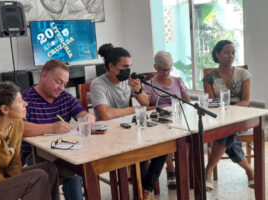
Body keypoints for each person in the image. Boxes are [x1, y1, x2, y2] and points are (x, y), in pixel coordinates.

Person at [90, 43, 161, 200]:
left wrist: (139, 90)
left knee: (163, 145)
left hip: (129, 127)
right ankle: (143, 191)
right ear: (112, 67)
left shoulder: (128, 81)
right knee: (141, 150)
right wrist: (134, 110)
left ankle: (146, 188)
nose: (128, 70)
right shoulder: (98, 84)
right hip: (109, 134)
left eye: (130, 66)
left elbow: (146, 103)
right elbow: (106, 114)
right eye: (125, 66)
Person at [0, 82, 59, 200]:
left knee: (48, 169)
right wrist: (18, 190)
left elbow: (15, 163)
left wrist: (20, 185)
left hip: (0, 182)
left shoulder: (17, 124)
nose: (25, 104)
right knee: (38, 176)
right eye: (20, 101)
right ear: (5, 109)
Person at [22, 59, 95, 200]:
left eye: (65, 84)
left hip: (63, 150)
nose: (61, 87)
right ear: (43, 76)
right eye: (58, 81)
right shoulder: (25, 99)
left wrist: (87, 120)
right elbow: (20, 128)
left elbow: (85, 114)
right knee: (74, 171)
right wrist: (53, 127)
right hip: (34, 155)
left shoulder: (65, 97)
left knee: (77, 166)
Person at [203, 40, 254, 190]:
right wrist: (225, 113)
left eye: (233, 53)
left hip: (241, 116)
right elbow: (211, 103)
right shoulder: (209, 77)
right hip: (220, 118)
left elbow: (245, 101)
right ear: (217, 54)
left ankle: (208, 170)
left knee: (226, 132)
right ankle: (250, 170)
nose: (231, 56)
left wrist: (230, 110)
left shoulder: (243, 74)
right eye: (226, 52)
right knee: (227, 132)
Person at [143, 50, 190, 190]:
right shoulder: (149, 84)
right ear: (156, 67)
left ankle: (183, 171)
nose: (166, 73)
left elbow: (187, 102)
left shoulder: (178, 81)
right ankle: (171, 170)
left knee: (188, 137)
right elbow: (145, 107)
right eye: (163, 70)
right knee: (167, 138)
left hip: (178, 119)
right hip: (159, 122)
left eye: (169, 69)